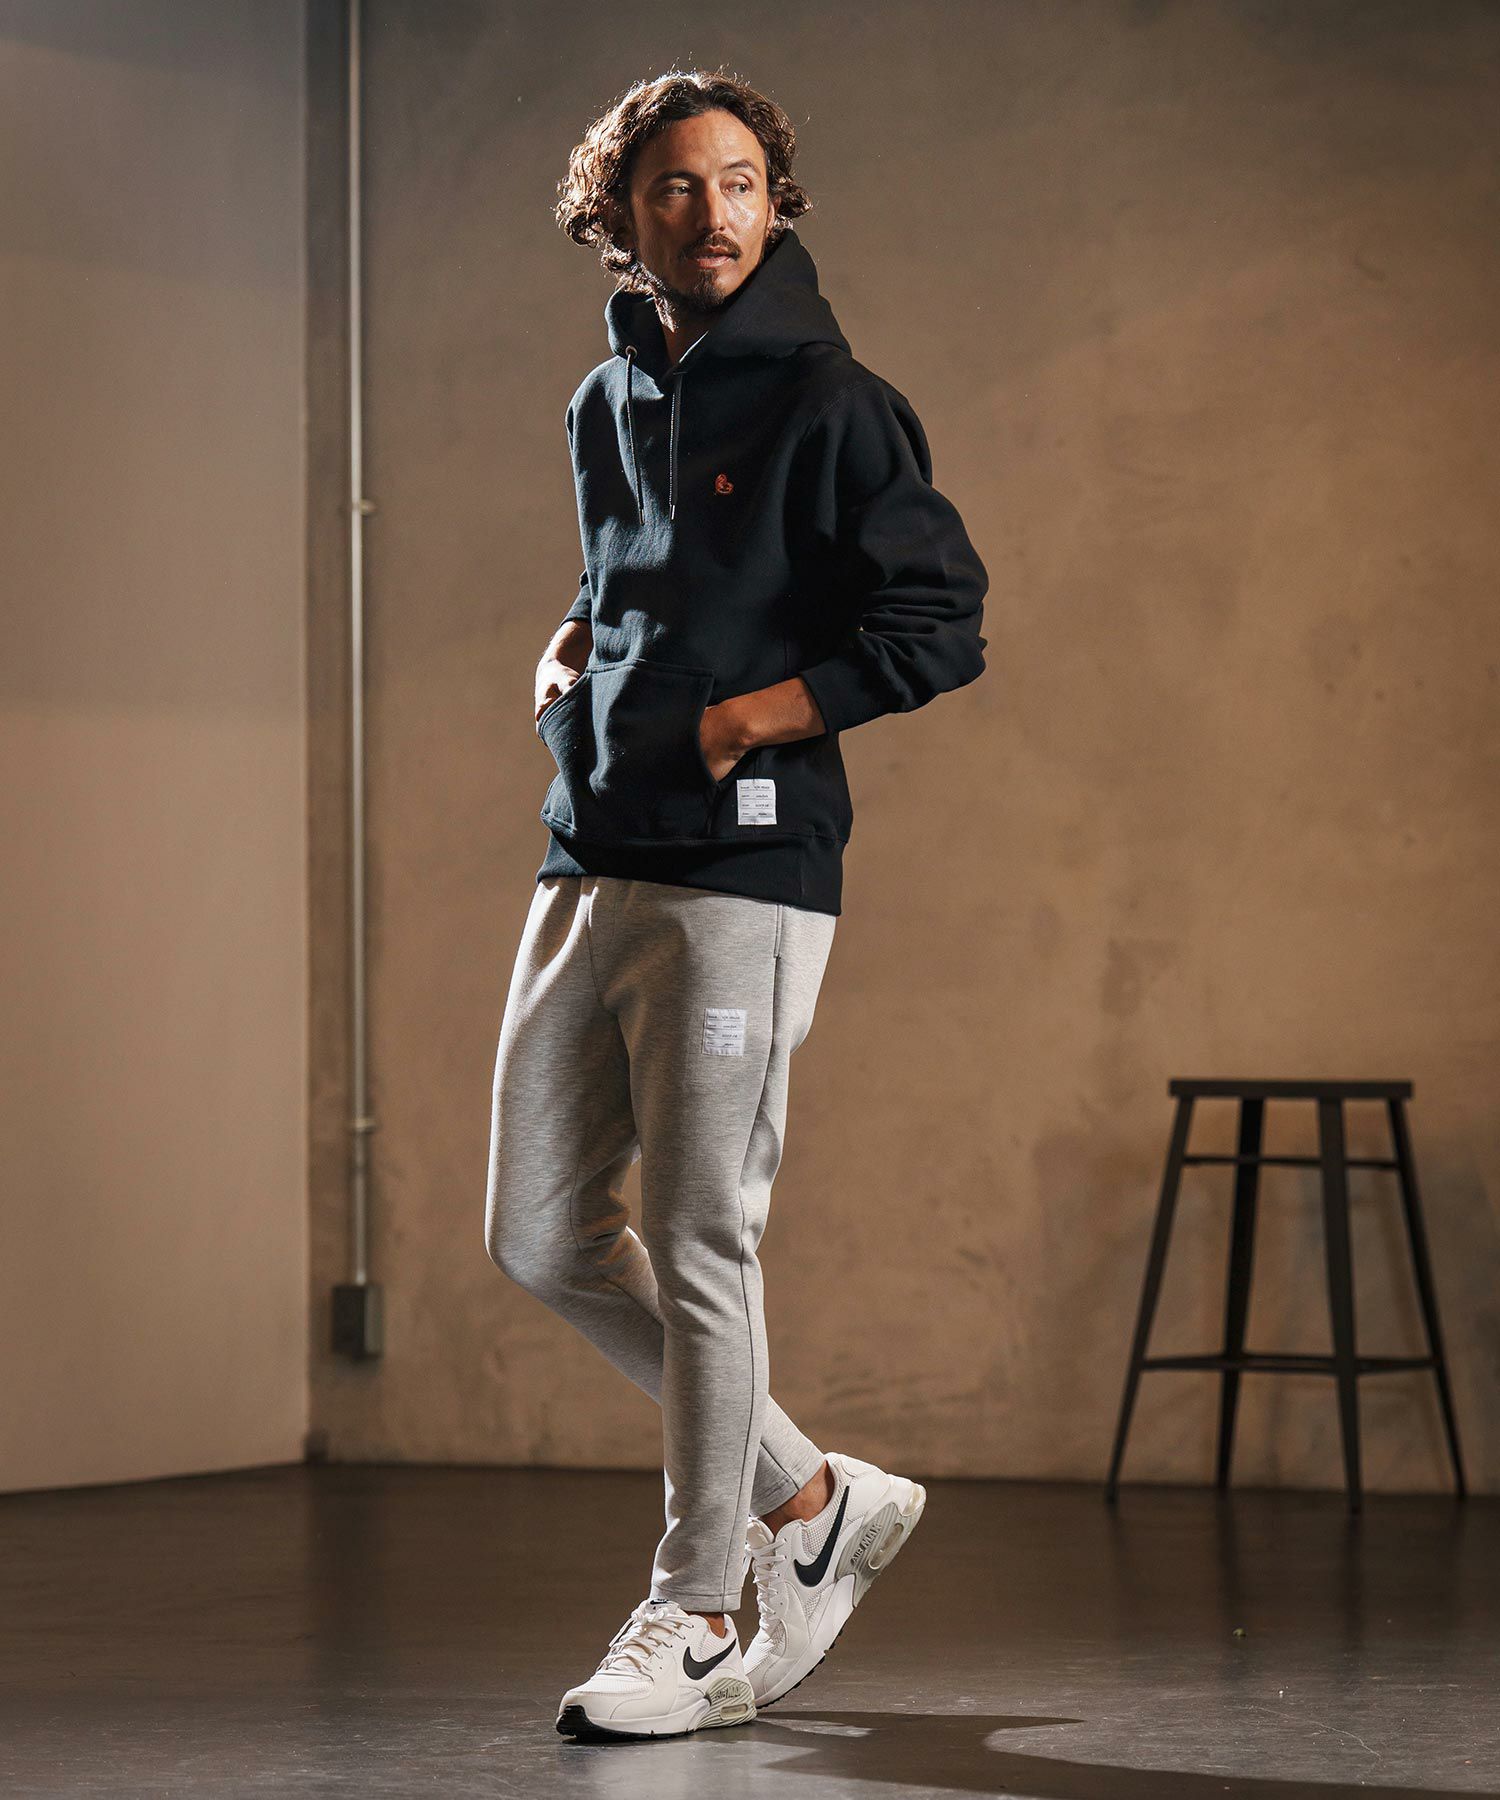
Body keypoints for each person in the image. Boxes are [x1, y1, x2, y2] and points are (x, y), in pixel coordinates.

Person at [484, 67, 989, 1742]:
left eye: (742, 184)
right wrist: (572, 650)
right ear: (618, 214)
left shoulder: (839, 402)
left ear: (777, 206)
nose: (713, 215)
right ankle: (814, 1501)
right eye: (677, 188)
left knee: (704, 1238)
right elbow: (629, 580)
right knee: (541, 1234)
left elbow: (938, 622)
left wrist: (743, 721)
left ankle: (702, 1610)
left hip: (747, 871)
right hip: (593, 846)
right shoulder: (603, 401)